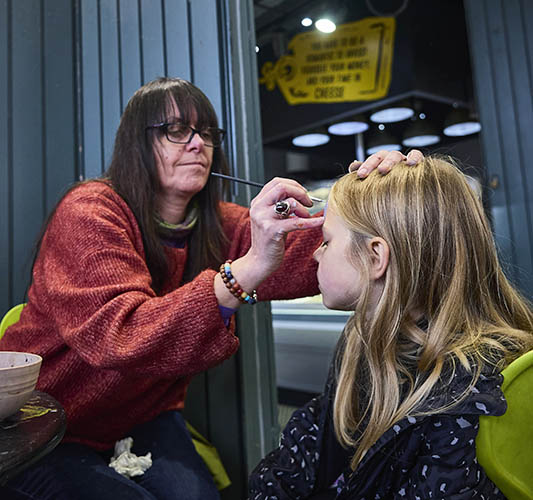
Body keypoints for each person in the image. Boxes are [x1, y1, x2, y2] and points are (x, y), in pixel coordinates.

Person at [0, 76, 420, 500]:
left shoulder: (223, 224)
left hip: (142, 418)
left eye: (206, 133)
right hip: (45, 425)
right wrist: (247, 270)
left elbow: (331, 252)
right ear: (136, 143)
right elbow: (120, 336)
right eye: (176, 130)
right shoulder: (89, 212)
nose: (197, 144)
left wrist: (389, 197)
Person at [249, 156, 533, 499]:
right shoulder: (358, 344)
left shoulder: (463, 398)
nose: (314, 256)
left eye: (325, 241)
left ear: (375, 257)